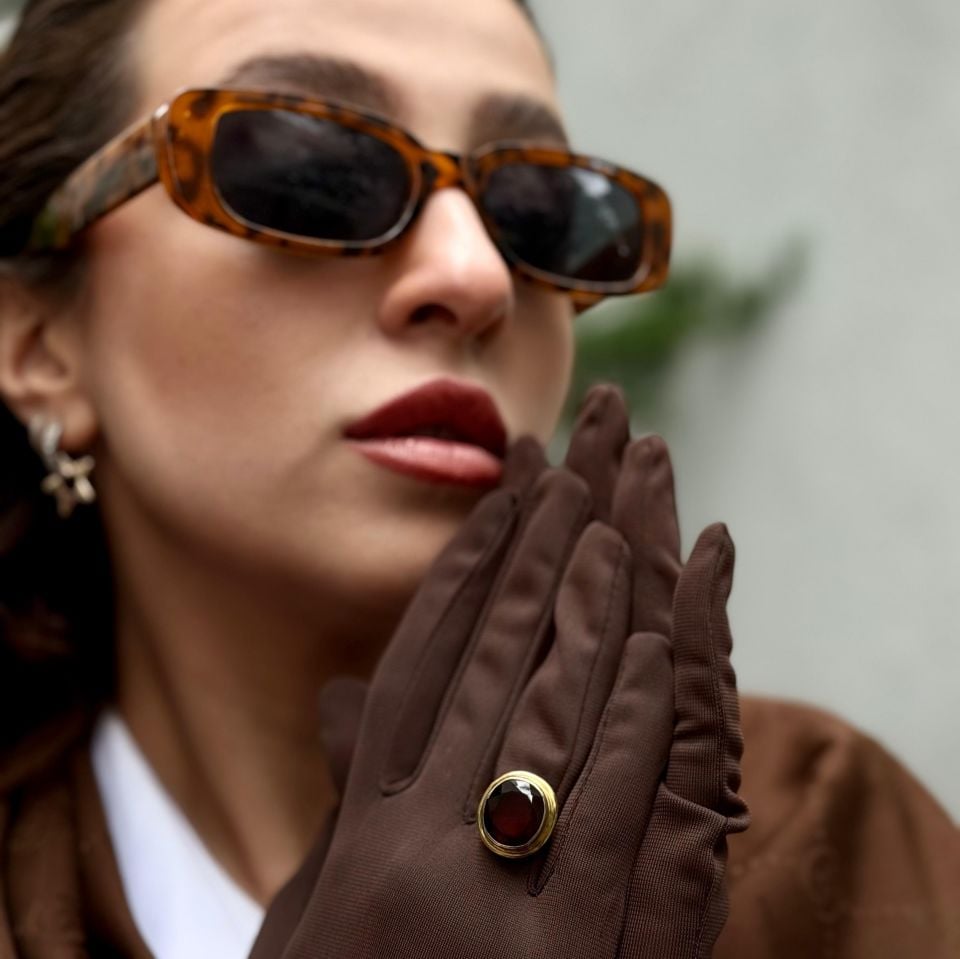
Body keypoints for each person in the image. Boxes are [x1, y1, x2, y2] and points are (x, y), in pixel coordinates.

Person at [0, 0, 956, 957]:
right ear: (39, 342)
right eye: (312, 170)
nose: (477, 274)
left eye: (537, 211)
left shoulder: (833, 841)